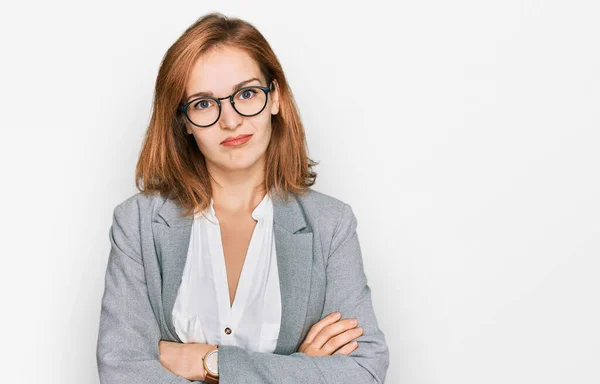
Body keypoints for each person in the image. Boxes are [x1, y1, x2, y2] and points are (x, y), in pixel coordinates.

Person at [96, 12, 389, 384]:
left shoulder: (331, 224)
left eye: (247, 94)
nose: (230, 120)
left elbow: (363, 372)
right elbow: (121, 370)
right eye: (203, 103)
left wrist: (211, 364)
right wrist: (300, 367)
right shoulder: (137, 223)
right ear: (183, 121)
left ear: (275, 98)